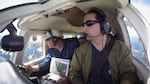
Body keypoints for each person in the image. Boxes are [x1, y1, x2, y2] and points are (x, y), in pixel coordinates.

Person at [68, 8, 137, 84]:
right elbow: (74, 73)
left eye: (89, 24)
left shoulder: (121, 48)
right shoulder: (79, 52)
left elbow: (128, 73)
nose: (84, 29)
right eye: (83, 25)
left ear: (104, 25)